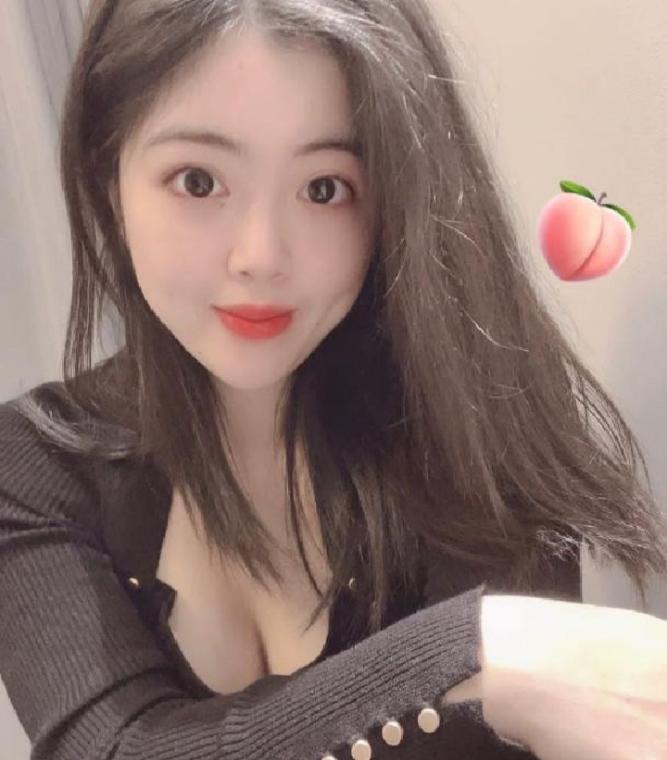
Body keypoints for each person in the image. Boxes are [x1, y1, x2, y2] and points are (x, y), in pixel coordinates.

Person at [0, 1, 666, 758]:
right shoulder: (32, 467)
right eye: (198, 181)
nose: (260, 255)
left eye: (323, 188)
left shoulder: (472, 424)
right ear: (107, 179)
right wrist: (485, 652)